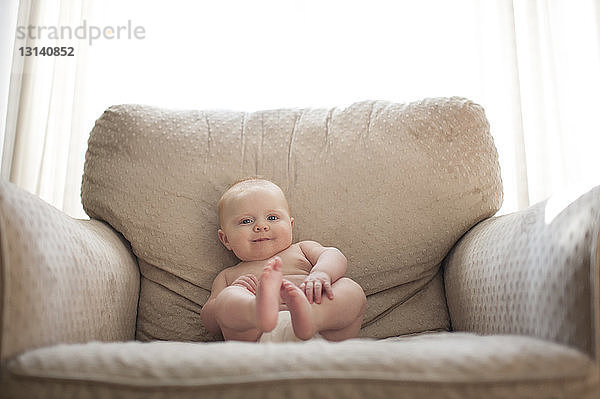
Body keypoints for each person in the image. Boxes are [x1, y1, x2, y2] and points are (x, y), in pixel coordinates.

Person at [201, 177, 367, 342]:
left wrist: (322, 273)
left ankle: (313, 316)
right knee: (227, 297)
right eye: (246, 221)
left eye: (272, 218)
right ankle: (256, 311)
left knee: (350, 288)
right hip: (256, 338)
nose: (261, 226)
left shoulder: (302, 249)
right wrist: (237, 294)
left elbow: (333, 255)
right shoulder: (229, 275)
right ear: (226, 239)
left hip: (321, 331)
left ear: (290, 225)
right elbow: (210, 321)